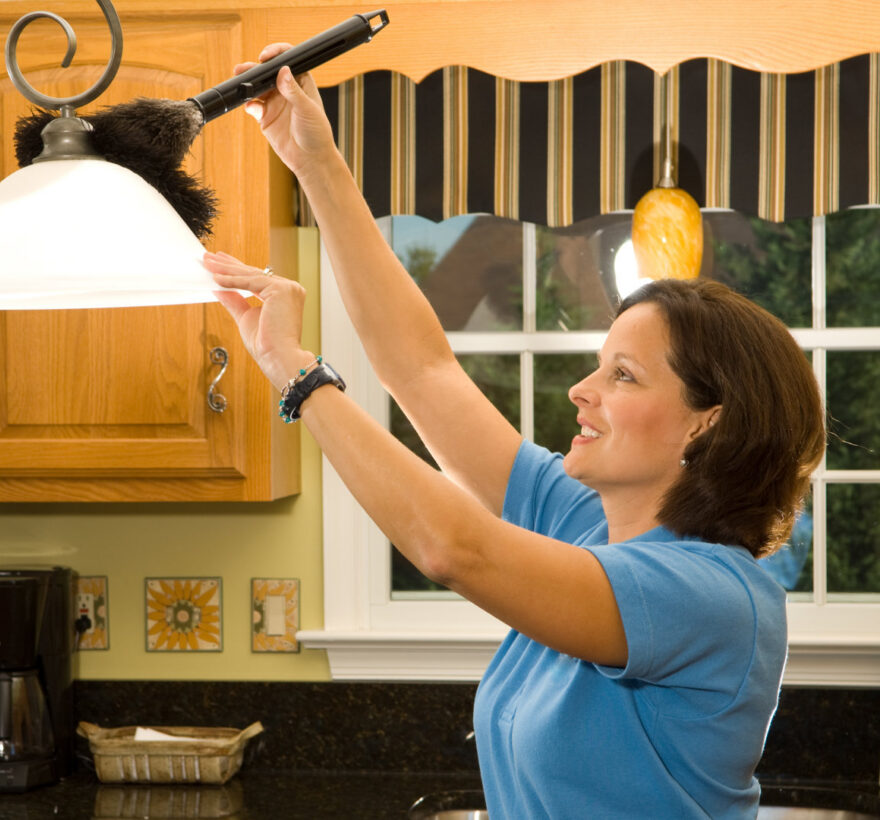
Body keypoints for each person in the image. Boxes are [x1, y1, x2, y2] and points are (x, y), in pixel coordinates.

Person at [202, 48, 827, 820]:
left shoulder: (714, 596)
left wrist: (300, 376)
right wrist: (316, 161)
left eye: (623, 376)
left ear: (707, 424)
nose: (582, 391)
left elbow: (451, 547)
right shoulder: (579, 521)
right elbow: (421, 368)